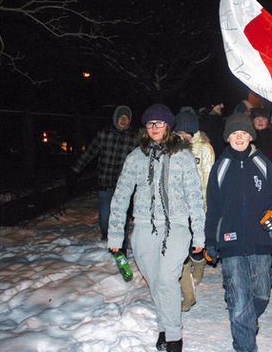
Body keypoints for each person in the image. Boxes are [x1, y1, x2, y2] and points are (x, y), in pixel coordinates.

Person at [108, 104, 205, 352]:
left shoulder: (182, 156)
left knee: (166, 279)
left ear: (168, 127)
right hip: (143, 227)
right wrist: (116, 234)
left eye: (159, 123)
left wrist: (199, 232)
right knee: (155, 282)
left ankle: (174, 337)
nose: (154, 128)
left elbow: (194, 195)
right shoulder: (135, 158)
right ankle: (164, 325)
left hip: (177, 225)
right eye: (150, 124)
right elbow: (121, 197)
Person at [204, 112, 272, 352]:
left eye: (243, 133)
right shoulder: (220, 167)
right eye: (234, 133)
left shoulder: (263, 164)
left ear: (251, 136)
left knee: (261, 294)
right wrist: (211, 240)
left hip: (261, 242)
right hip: (230, 244)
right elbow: (213, 209)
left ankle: (245, 317)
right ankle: (244, 343)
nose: (239, 137)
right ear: (227, 138)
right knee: (240, 302)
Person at [71, 105, 137, 251]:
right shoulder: (104, 134)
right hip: (104, 183)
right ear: (116, 118)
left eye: (127, 118)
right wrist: (75, 170)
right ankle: (106, 235)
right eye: (121, 117)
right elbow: (90, 153)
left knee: (122, 218)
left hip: (123, 186)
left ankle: (121, 245)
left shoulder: (134, 138)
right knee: (105, 216)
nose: (124, 120)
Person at [173, 106, 215, 312]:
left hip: (197, 207)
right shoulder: (171, 148)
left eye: (184, 133)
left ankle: (198, 267)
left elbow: (208, 180)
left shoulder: (205, 149)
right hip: (176, 209)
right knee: (180, 253)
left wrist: (206, 208)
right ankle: (188, 296)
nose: (181, 137)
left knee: (195, 251)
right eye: (177, 133)